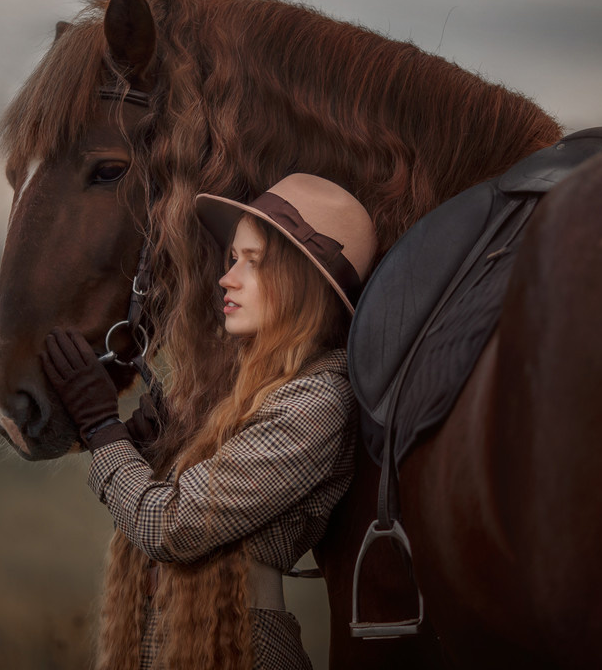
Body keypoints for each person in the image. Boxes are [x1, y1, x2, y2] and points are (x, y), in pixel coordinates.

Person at [41, 173, 377, 670]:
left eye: (254, 263)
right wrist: (145, 450)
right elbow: (164, 507)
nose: (227, 278)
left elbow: (173, 526)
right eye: (232, 258)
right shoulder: (237, 385)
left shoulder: (319, 397)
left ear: (301, 282)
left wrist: (101, 429)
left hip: (239, 651)